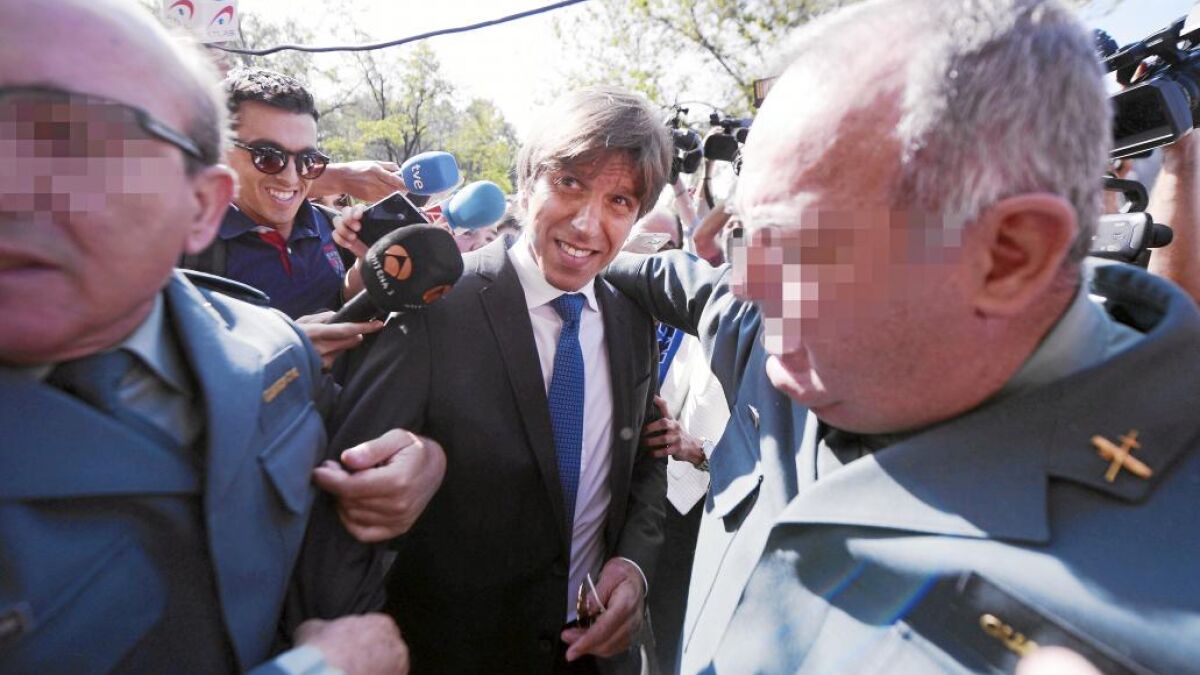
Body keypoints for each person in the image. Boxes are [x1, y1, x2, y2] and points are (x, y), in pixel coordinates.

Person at [605, 0, 1200, 673]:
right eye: (745, 233)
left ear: (1009, 256)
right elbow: (667, 275)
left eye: (794, 243)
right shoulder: (779, 328)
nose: (745, 283)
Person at [0, 1, 432, 672]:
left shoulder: (271, 349)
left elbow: (340, 455)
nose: (15, 180)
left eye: (85, 142)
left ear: (199, 203)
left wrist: (421, 461)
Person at [330, 86, 672, 674]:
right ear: (527, 184)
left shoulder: (632, 318)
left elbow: (644, 457)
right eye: (570, 184)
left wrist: (636, 567)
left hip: (593, 657)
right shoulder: (435, 307)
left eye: (619, 200)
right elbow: (348, 505)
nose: (587, 223)